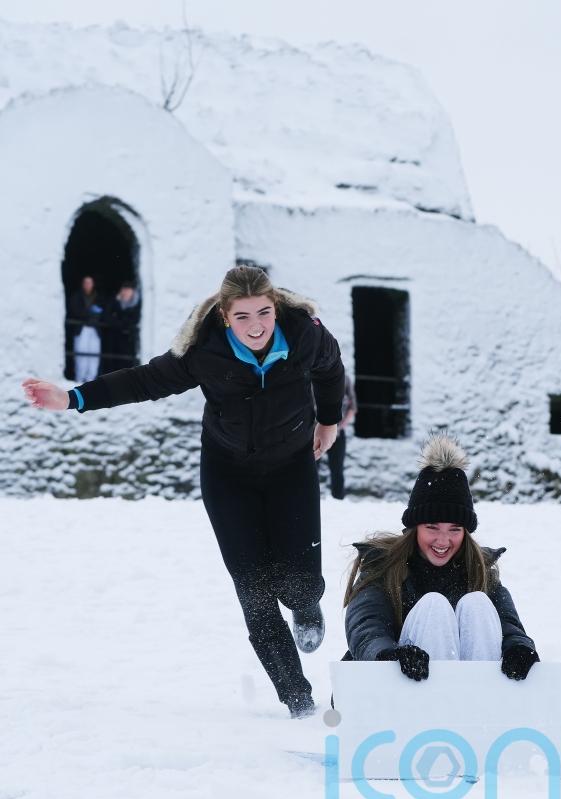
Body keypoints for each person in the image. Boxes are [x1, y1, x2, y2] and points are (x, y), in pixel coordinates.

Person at [22, 265, 345, 718]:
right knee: (253, 589)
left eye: (263, 313)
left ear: (275, 306)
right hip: (228, 475)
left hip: (291, 467)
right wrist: (73, 398)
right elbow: (145, 380)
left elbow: (331, 368)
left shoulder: (305, 334)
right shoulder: (205, 350)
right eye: (242, 316)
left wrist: (328, 420)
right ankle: (298, 700)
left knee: (300, 582)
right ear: (224, 316)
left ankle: (306, 607)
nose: (256, 326)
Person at [341, 433, 539, 683]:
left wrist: (518, 647)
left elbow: (508, 625)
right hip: (399, 684)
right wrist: (388, 654)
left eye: (454, 529)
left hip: (471, 691)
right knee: (433, 606)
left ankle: (482, 699)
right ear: (415, 528)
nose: (443, 541)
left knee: (478, 603)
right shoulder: (383, 564)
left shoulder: (479, 568)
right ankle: (434, 702)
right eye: (432, 527)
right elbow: (366, 625)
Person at [326, 373, 357, 499]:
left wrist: (340, 427)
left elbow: (352, 407)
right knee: (310, 468)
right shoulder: (310, 375)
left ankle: (338, 500)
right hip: (312, 432)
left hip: (337, 432)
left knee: (337, 468)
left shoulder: (345, 379)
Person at [67, 276, 104, 382]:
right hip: (81, 329)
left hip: (95, 329)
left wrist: (89, 314)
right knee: (81, 356)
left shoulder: (98, 297)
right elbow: (75, 311)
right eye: (86, 283)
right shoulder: (76, 296)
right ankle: (79, 380)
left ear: (93, 284)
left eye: (90, 283)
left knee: (94, 356)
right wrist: (91, 313)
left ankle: (91, 381)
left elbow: (102, 312)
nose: (88, 285)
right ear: (82, 284)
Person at [101, 282, 141, 373]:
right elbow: (106, 316)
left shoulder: (136, 304)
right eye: (124, 290)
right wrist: (116, 302)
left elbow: (133, 320)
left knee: (126, 363)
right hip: (114, 338)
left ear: (132, 292)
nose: (125, 293)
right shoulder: (115, 302)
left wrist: (117, 318)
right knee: (113, 363)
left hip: (128, 339)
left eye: (128, 291)